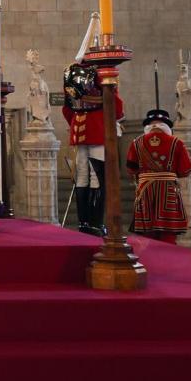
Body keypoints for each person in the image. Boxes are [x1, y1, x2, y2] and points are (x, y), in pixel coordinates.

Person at [62, 13, 124, 237]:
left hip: (79, 128)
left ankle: (84, 222)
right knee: (97, 174)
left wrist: (77, 118)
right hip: (98, 127)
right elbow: (117, 108)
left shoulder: (71, 72)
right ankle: (96, 223)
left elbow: (67, 108)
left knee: (81, 175)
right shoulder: (100, 73)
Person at [126, 110, 191, 244]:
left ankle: (151, 261)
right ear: (166, 125)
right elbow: (186, 170)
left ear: (148, 125)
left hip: (145, 191)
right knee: (168, 232)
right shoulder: (177, 142)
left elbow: (131, 169)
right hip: (168, 192)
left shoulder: (136, 143)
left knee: (147, 233)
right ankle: (168, 261)